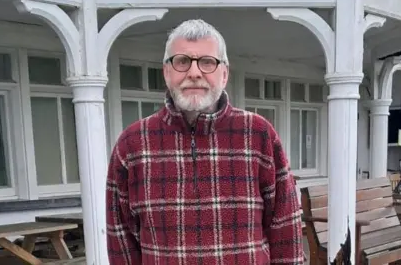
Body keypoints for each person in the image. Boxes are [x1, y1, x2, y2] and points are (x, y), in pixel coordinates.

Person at [106, 19, 304, 264]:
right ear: (166, 71)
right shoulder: (132, 144)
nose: (194, 73)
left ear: (224, 73)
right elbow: (120, 239)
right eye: (182, 61)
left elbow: (284, 226)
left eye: (207, 62)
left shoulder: (258, 134)